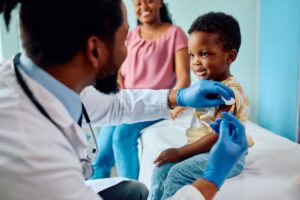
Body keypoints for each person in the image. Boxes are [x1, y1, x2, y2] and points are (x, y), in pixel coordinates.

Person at [0, 1, 236, 200]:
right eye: (125, 39)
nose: (127, 52)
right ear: (95, 50)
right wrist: (211, 180)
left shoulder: (47, 78)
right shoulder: (29, 153)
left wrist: (178, 96)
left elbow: (116, 104)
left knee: (134, 191)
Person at [148, 12, 254, 200]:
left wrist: (180, 152)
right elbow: (199, 104)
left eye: (204, 54)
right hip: (202, 151)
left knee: (177, 173)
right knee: (161, 168)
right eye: (191, 55)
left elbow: (217, 136)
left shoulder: (228, 92)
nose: (195, 62)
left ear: (230, 57)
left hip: (226, 157)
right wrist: (181, 104)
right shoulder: (207, 85)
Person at [92, 0, 190, 180]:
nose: (143, 7)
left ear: (160, 2)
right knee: (100, 157)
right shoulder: (131, 34)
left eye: (149, 1)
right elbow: (120, 70)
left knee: (122, 136)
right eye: (138, 4)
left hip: (155, 104)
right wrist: (119, 90)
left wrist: (178, 104)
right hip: (125, 100)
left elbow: (184, 77)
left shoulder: (175, 34)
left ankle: (130, 192)